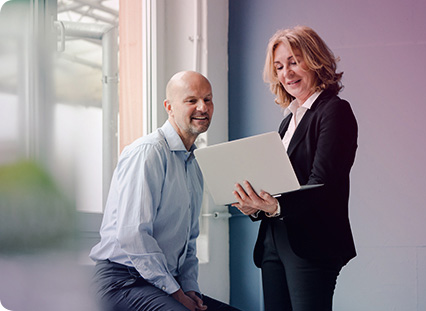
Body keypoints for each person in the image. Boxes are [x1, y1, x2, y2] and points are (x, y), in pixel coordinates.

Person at [90, 71, 239, 311]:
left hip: (163, 281)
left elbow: (189, 241)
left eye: (208, 99)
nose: (203, 107)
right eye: (192, 100)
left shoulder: (194, 163)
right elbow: (132, 235)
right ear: (169, 107)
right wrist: (176, 294)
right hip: (122, 281)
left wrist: (190, 288)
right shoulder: (148, 152)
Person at [232, 26, 358, 311]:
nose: (286, 73)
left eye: (294, 61)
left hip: (312, 243)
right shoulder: (288, 122)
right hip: (274, 242)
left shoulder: (334, 111)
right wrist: (258, 205)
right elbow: (282, 184)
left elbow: (322, 183)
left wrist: (276, 207)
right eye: (279, 66)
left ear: (315, 61)